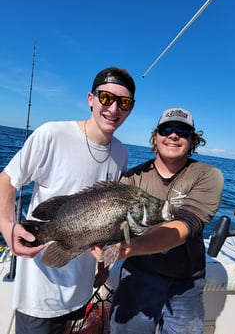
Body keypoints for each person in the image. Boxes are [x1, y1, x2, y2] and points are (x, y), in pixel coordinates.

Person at [0, 66, 136, 334]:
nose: (113, 109)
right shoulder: (52, 134)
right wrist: (7, 226)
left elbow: (104, 218)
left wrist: (102, 266)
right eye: (106, 98)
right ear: (90, 98)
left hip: (83, 287)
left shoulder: (121, 153)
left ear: (130, 108)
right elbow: (7, 180)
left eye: (124, 102)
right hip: (41, 291)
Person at [108, 107, 224, 334]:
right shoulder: (133, 178)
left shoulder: (207, 175)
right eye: (166, 129)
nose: (173, 135)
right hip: (138, 274)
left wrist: (130, 247)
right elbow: (112, 221)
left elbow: (185, 225)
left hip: (186, 283)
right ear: (155, 137)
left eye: (183, 131)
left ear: (193, 141)